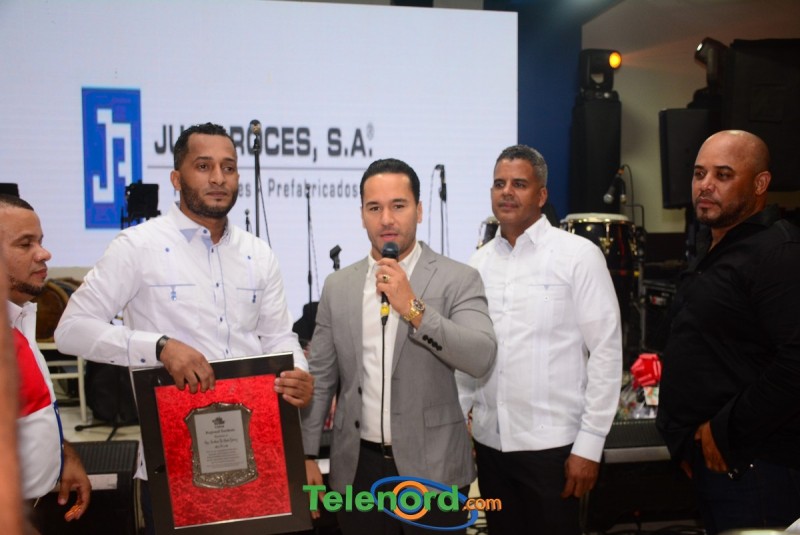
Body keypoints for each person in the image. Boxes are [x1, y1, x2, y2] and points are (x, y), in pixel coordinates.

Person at [54, 123, 313, 530]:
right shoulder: (137, 246)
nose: (218, 178)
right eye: (204, 166)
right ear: (176, 178)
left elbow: (279, 338)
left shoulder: (258, 254)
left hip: (257, 456)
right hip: (174, 462)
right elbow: (71, 330)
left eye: (228, 167)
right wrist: (159, 347)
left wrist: (299, 371)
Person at [301, 158, 497, 535]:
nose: (387, 219)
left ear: (419, 211)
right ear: (362, 214)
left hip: (434, 470)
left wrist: (413, 309)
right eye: (375, 208)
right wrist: (307, 453)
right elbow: (321, 377)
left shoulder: (458, 278)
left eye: (398, 206)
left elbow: (481, 357)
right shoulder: (338, 286)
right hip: (357, 469)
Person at [457, 145, 622, 534]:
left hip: (555, 451)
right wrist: (457, 424)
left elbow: (606, 351)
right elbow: (470, 354)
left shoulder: (578, 256)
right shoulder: (477, 264)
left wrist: (590, 445)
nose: (506, 192)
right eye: (499, 183)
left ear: (542, 194)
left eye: (519, 184)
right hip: (492, 448)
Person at [656, 130, 800, 534]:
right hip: (718, 465)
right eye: (699, 173)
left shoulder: (777, 253)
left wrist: (723, 432)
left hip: (759, 468)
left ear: (760, 183)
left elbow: (796, 363)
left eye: (723, 175)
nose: (705, 185)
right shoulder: (718, 248)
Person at [0, 194, 92, 529]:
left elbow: (31, 412)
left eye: (40, 241)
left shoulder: (19, 317)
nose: (44, 253)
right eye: (25, 244)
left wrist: (63, 454)